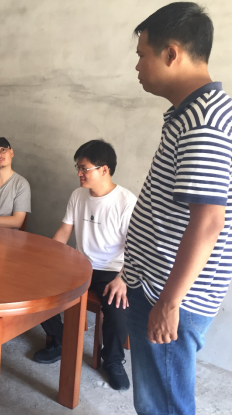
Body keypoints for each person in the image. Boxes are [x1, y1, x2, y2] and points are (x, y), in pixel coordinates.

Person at [125, 3, 232, 414]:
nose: (137, 66)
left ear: (171, 53)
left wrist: (169, 303)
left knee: (163, 404)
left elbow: (208, 222)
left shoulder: (202, 122)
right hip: (161, 283)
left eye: (142, 55)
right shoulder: (196, 112)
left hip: (170, 292)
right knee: (158, 395)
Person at [33, 140, 137, 391]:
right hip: (79, 265)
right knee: (36, 287)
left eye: (84, 168)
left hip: (113, 270)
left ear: (104, 169)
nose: (79, 173)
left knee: (117, 307)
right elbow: (64, 231)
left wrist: (122, 278)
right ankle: (61, 340)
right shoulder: (78, 195)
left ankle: (112, 360)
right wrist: (43, 259)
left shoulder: (126, 202)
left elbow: (137, 248)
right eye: (78, 168)